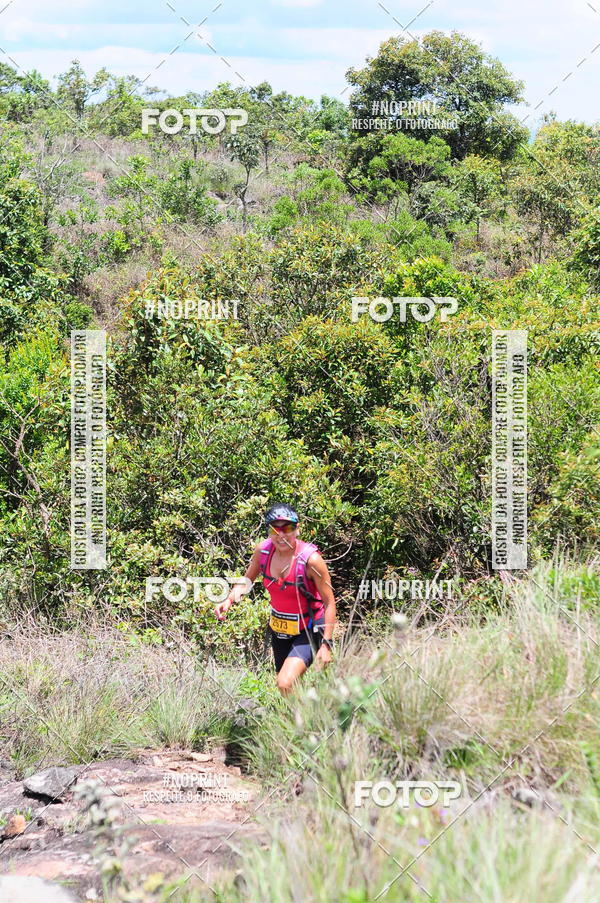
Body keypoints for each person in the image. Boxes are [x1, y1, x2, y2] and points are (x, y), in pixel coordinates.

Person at [214, 504, 336, 695]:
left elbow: (329, 602)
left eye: (287, 528)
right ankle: (304, 720)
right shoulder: (263, 551)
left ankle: (308, 720)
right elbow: (247, 580)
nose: (281, 535)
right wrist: (229, 599)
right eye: (274, 529)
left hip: (310, 627)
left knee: (285, 683)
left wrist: (326, 644)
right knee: (287, 687)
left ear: (297, 529)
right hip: (280, 627)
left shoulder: (311, 560)